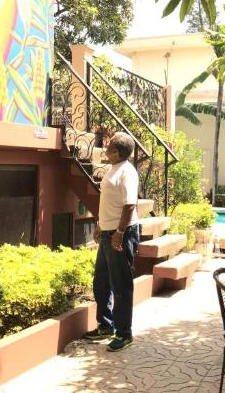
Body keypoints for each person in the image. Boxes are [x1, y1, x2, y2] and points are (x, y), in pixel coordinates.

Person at [83, 132, 140, 352]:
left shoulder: (128, 172)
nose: (105, 148)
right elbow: (109, 201)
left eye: (108, 146)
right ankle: (106, 325)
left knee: (121, 286)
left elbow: (129, 206)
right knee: (101, 282)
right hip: (108, 232)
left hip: (120, 234)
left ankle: (124, 334)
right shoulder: (114, 169)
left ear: (116, 151)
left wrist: (119, 232)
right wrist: (100, 225)